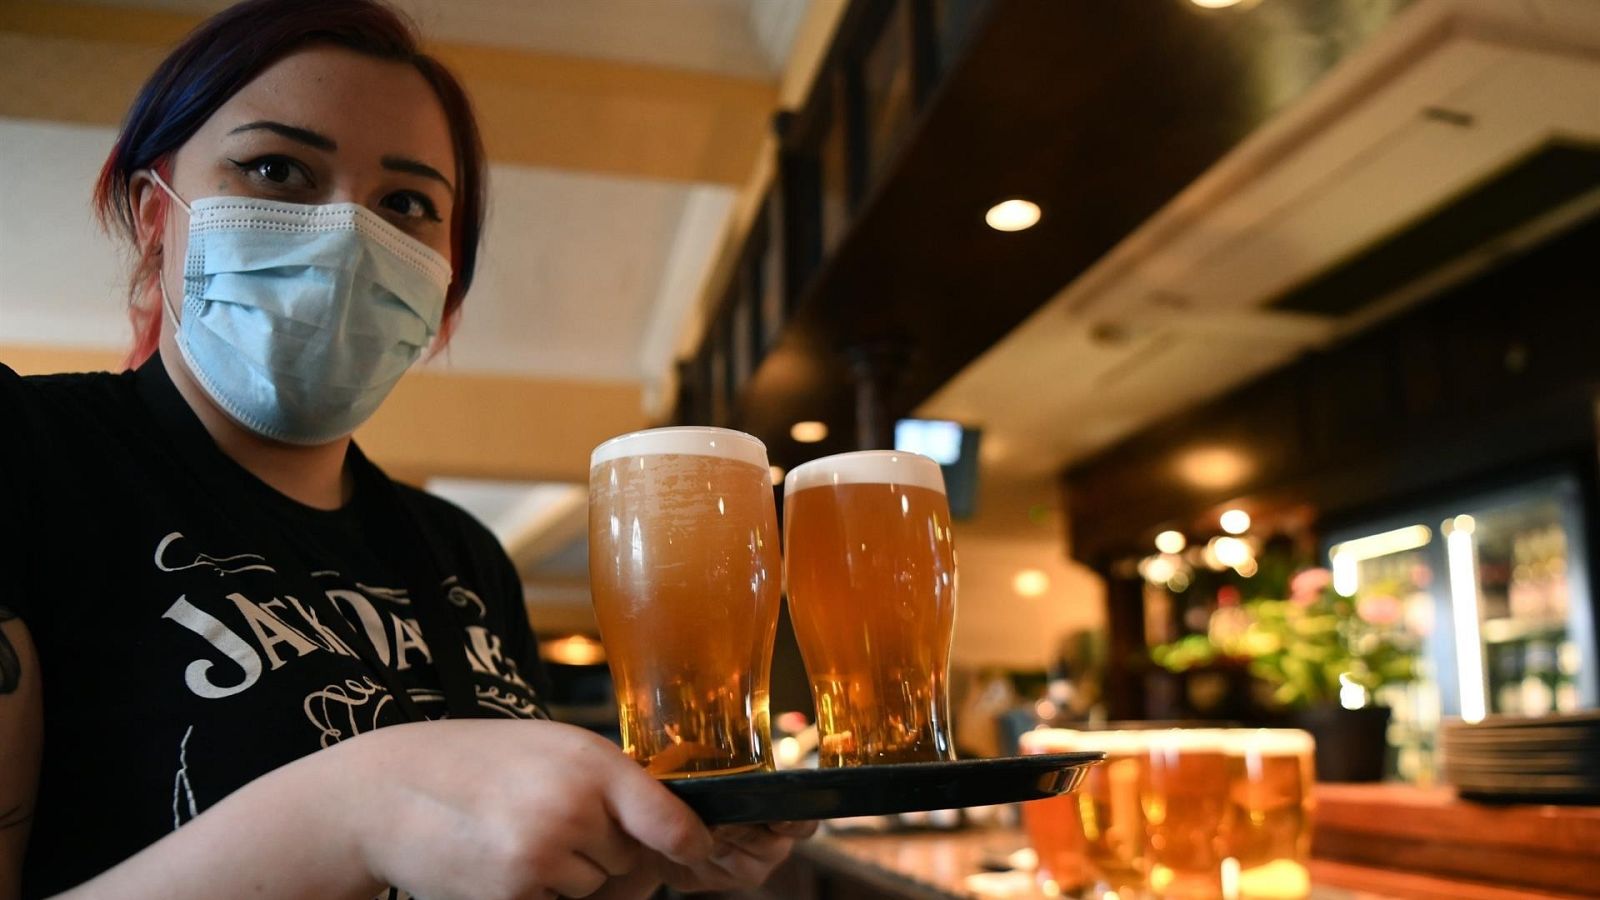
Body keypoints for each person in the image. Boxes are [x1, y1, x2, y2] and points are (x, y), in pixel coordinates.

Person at [0, 2, 812, 897]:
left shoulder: (462, 552)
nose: (349, 233)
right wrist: (353, 810)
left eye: (406, 202)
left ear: (444, 285)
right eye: (277, 168)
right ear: (158, 216)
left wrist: (651, 857)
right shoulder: (29, 456)